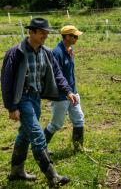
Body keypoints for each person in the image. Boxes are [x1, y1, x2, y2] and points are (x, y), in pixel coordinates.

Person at [1, 18, 78, 187]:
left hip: (36, 98)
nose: (45, 35)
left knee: (25, 134)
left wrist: (68, 91)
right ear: (31, 32)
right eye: (42, 32)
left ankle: (16, 171)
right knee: (37, 134)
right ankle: (53, 177)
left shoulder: (46, 52)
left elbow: (57, 73)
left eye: (47, 32)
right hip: (22, 99)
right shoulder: (16, 53)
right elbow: (6, 81)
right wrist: (11, 107)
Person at [44, 25, 84, 152]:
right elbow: (57, 76)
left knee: (79, 120)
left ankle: (78, 148)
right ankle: (40, 149)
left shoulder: (69, 50)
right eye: (74, 36)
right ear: (67, 36)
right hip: (62, 95)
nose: (77, 38)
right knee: (56, 124)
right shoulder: (57, 53)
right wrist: (67, 92)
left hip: (73, 92)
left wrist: (73, 92)